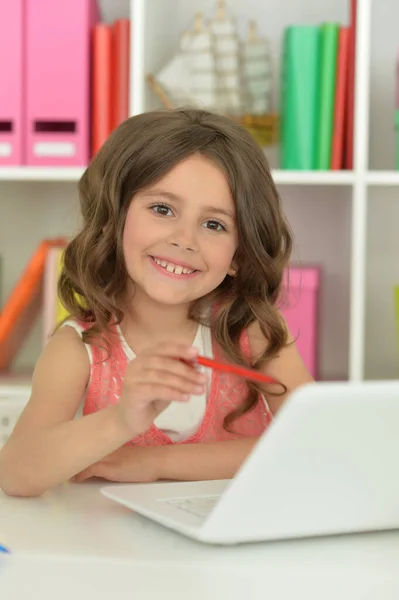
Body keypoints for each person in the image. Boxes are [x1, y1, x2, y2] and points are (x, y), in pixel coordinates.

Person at [0, 108, 313, 497]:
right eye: (162, 209)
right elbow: (15, 474)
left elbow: (312, 444)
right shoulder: (79, 349)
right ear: (111, 221)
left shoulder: (254, 332)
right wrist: (121, 421)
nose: (185, 240)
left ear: (239, 255)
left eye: (214, 224)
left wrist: (152, 463)